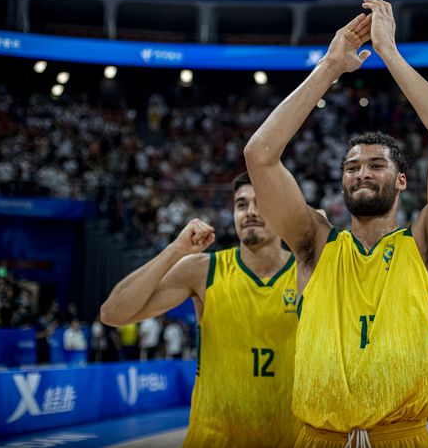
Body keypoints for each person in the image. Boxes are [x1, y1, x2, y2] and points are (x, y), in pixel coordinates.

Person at [244, 0, 428, 447]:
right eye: (351, 167)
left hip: (402, 437)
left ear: (403, 180)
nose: (362, 172)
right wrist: (329, 66)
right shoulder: (315, 243)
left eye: (375, 165)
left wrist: (389, 52)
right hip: (318, 436)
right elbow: (260, 156)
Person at [100, 173, 300, 447]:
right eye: (241, 205)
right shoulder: (203, 269)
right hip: (213, 438)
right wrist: (175, 250)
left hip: (288, 438)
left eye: (261, 203)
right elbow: (113, 313)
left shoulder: (306, 273)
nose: (250, 212)